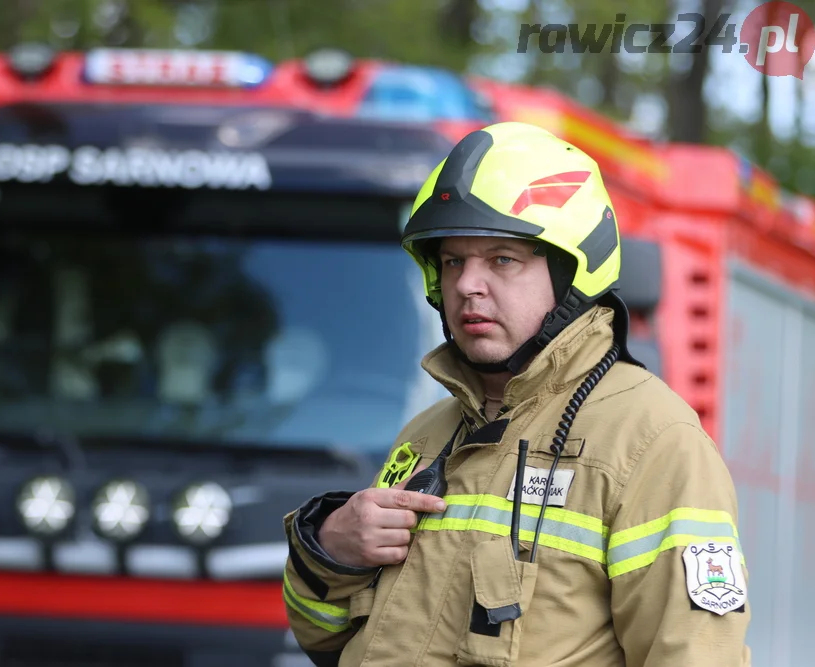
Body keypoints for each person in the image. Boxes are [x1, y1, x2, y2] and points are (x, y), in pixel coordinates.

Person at [280, 121, 751, 666]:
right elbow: (323, 640)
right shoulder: (428, 433)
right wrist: (330, 551)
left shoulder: (652, 441)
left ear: (570, 272)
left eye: (502, 259)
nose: (466, 285)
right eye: (453, 260)